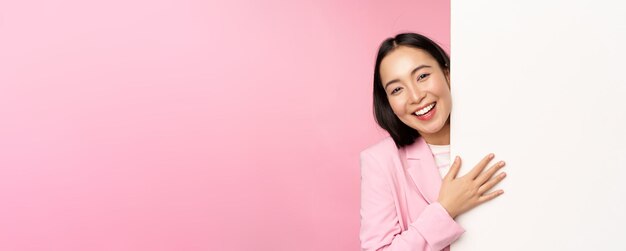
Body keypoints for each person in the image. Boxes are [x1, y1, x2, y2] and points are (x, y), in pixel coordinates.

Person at [360, 33, 507, 251]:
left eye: (422, 76)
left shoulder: (502, 132)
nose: (416, 96)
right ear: (388, 102)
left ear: (447, 73)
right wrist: (445, 209)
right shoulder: (380, 161)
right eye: (397, 89)